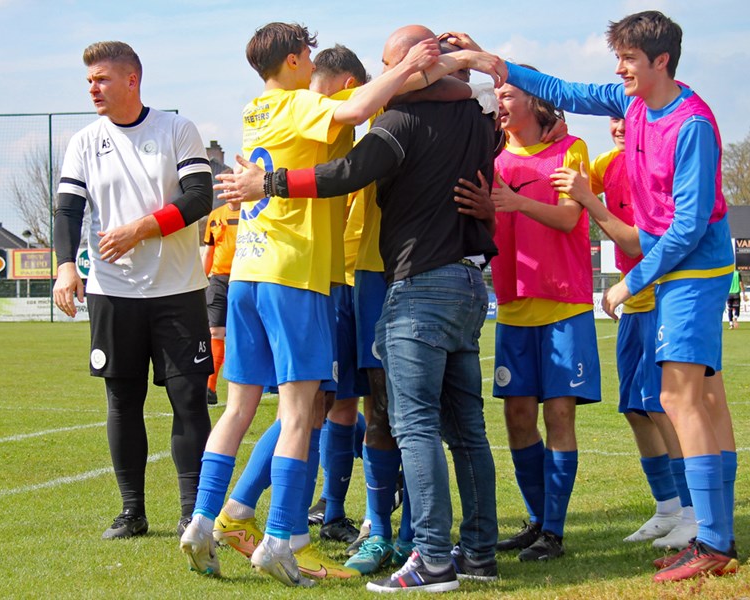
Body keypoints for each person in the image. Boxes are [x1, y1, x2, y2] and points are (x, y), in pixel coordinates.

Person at [447, 9, 739, 582]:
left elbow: (688, 226)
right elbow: (561, 90)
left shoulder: (692, 125)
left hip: (694, 269)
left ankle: (711, 541)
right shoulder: (635, 103)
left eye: (630, 59)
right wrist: (490, 61)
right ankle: (716, 537)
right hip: (673, 269)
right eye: (618, 58)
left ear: (661, 61)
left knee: (679, 398)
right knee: (702, 401)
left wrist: (633, 278)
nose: (620, 69)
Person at [217, 23, 505, 594]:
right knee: (446, 425)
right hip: (436, 281)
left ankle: (422, 550)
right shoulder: (474, 118)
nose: (384, 75)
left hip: (403, 281)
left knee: (399, 419)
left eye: (392, 65)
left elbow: (344, 173)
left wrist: (269, 182)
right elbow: (491, 107)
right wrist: (467, 59)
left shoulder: (396, 120)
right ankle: (468, 549)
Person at [178, 21, 442, 587]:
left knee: (238, 409)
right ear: (296, 60)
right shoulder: (300, 104)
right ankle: (280, 538)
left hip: (246, 275)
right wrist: (413, 62)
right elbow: (357, 108)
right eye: (308, 54)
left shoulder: (255, 110)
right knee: (300, 414)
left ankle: (201, 522)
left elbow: (351, 112)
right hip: (294, 277)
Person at [52, 41, 214, 539]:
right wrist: (65, 266)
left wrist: (141, 229)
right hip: (112, 292)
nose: (93, 88)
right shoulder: (84, 141)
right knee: (122, 401)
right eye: (89, 81)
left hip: (179, 289)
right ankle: (132, 512)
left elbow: (200, 196)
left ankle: (192, 513)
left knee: (189, 399)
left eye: (101, 79)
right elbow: (67, 210)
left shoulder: (176, 129)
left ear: (131, 80)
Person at [550, 117, 696, 550]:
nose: (618, 126)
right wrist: (555, 128)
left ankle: (693, 513)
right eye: (614, 118)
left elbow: (635, 244)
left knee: (661, 408)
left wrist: (588, 200)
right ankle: (667, 507)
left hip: (661, 296)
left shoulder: (657, 164)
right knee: (636, 409)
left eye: (627, 117)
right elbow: (567, 170)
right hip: (633, 303)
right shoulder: (607, 162)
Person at [482, 68, 600, 562]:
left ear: (534, 101)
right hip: (513, 305)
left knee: (558, 414)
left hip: (563, 302)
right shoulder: (491, 158)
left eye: (507, 94)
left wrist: (515, 202)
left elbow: (570, 217)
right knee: (517, 416)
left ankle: (554, 530)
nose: (500, 102)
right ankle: (536, 521)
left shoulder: (570, 149)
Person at [202, 195, 240, 405]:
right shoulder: (215, 216)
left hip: (244, 278)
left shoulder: (252, 213)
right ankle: (210, 386)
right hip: (218, 280)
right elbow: (209, 252)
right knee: (215, 331)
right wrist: (200, 281)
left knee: (243, 334)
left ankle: (253, 384)